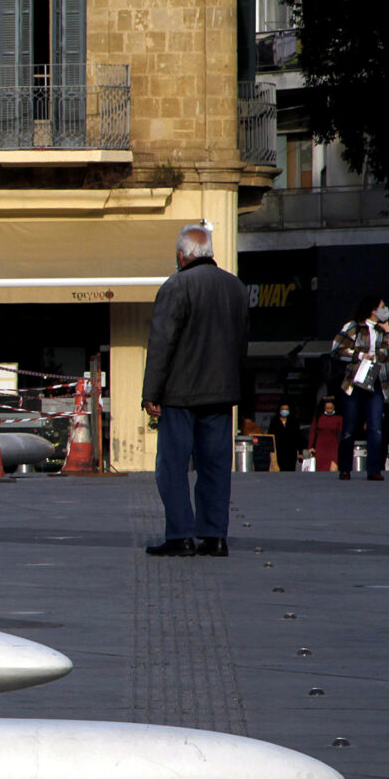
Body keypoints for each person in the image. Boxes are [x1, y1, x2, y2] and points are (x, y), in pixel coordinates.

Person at [141, 223, 250, 558]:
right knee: (215, 465)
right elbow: (241, 342)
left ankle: (180, 535)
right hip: (221, 392)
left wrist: (151, 392)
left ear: (181, 255)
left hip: (181, 393)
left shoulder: (176, 286)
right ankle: (215, 536)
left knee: (172, 466)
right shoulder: (235, 287)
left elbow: (162, 343)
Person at [332, 295, 389, 481]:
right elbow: (337, 349)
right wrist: (360, 355)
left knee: (375, 427)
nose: (385, 309)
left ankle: (374, 469)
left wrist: (388, 329)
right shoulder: (353, 327)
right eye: (382, 306)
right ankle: (345, 467)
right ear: (372, 309)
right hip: (355, 381)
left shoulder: (382, 330)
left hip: (376, 381)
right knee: (350, 427)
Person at [265, 401, 302, 473]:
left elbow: (298, 437)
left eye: (286, 409)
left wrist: (300, 452)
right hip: (279, 452)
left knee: (290, 471)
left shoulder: (293, 422)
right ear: (279, 410)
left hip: (291, 452)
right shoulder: (274, 422)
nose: (284, 411)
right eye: (283, 409)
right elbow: (271, 437)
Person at [309, 397, 341, 473]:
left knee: (333, 470)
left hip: (333, 448)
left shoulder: (339, 418)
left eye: (331, 408)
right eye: (327, 408)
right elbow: (313, 432)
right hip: (320, 448)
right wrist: (310, 447)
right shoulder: (318, 417)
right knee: (321, 470)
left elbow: (342, 433)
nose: (329, 410)